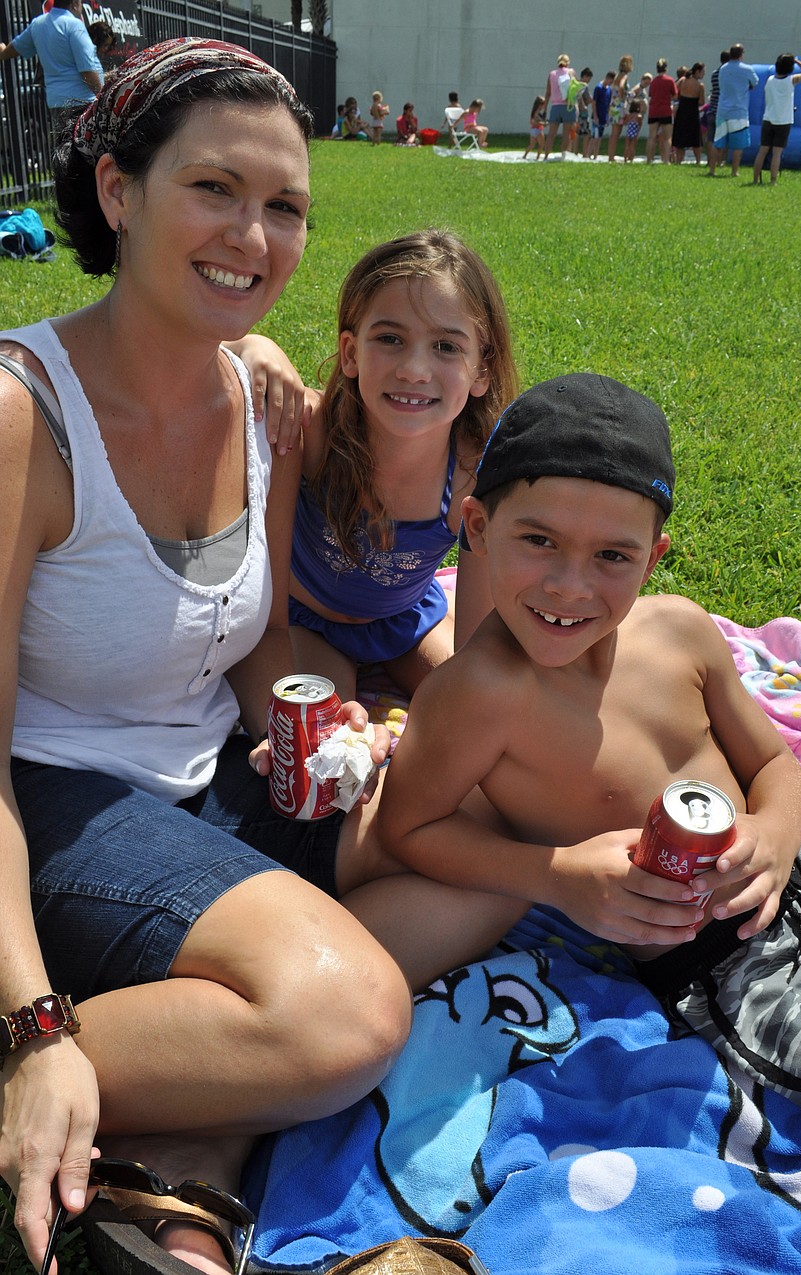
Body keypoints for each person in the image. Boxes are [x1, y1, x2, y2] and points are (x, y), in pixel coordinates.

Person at [0, 39, 522, 1275]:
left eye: (285, 205)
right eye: (213, 188)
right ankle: (47, 1076)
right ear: (118, 191)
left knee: (489, 848)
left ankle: (195, 1123)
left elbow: (261, 641)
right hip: (62, 797)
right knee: (348, 1011)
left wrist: (317, 720)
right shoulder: (24, 416)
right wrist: (31, 1026)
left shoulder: (264, 403)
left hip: (213, 777)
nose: (254, 235)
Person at [377, 374, 801, 1133]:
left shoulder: (681, 632)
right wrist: (555, 876)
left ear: (653, 557)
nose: (570, 587)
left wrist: (777, 831)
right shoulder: (479, 694)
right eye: (539, 541)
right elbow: (409, 828)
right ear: (479, 527)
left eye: (612, 556)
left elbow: (773, 764)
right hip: (723, 960)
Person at [287, 229, 519, 704]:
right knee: (325, 724)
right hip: (302, 619)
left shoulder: (475, 474)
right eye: (390, 338)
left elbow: (475, 646)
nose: (414, 369)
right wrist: (255, 347)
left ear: (481, 370)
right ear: (351, 353)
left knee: (467, 703)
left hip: (403, 623)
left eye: (446, 346)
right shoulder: (310, 432)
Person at [0, 0, 101, 145]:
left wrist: (3, 53)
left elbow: (16, 47)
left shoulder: (38, 24)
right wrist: (102, 96)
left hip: (57, 102)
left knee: (66, 149)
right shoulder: (74, 26)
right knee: (86, 148)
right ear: (74, 3)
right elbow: (87, 69)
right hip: (82, 102)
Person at [752, 54, 801, 184]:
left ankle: (755, 179)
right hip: (783, 121)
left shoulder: (770, 79)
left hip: (768, 119)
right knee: (777, 153)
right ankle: (773, 180)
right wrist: (797, 61)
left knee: (762, 151)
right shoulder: (791, 80)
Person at [710, 42, 759, 177]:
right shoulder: (747, 69)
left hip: (722, 111)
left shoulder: (723, 69)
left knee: (717, 143)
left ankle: (712, 170)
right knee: (738, 145)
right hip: (739, 112)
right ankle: (734, 171)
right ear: (741, 54)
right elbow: (755, 82)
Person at [671, 62, 706, 164]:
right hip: (693, 111)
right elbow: (701, 102)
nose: (704, 74)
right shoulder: (700, 85)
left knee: (680, 137)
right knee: (695, 138)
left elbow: (674, 92)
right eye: (703, 71)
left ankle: (678, 160)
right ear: (697, 71)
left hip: (682, 110)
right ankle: (698, 161)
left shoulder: (683, 80)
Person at [542, 53, 574, 159]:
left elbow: (548, 93)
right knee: (566, 133)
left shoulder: (552, 74)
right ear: (568, 63)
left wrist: (545, 107)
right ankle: (564, 155)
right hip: (567, 105)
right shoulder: (571, 72)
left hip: (555, 106)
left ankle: (546, 155)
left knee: (551, 134)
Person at [646, 58, 678, 164]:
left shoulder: (653, 81)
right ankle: (666, 160)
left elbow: (651, 95)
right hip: (665, 110)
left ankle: (649, 159)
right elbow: (675, 95)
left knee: (651, 136)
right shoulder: (670, 80)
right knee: (667, 137)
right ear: (666, 68)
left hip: (654, 110)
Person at [704, 49, 730, 164]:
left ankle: (710, 160)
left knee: (710, 138)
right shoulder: (728, 74)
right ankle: (719, 161)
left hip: (712, 108)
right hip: (723, 110)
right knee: (722, 138)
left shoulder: (714, 73)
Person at [607, 53, 634, 161]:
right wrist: (623, 99)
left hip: (613, 105)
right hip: (619, 106)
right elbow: (622, 86)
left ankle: (610, 156)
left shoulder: (617, 76)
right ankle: (611, 157)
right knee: (616, 133)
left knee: (614, 133)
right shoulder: (624, 76)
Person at [622, 72, 651, 162]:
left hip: (639, 115)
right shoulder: (637, 88)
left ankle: (629, 157)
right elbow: (629, 98)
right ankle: (629, 157)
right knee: (633, 140)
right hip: (636, 116)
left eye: (648, 83)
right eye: (646, 82)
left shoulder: (643, 89)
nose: (647, 85)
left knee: (633, 140)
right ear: (642, 80)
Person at [587, 70, 615, 159]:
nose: (611, 83)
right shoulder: (598, 88)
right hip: (597, 116)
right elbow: (594, 102)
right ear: (607, 78)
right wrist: (595, 116)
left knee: (599, 137)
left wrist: (608, 116)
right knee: (594, 137)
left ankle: (595, 155)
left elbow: (609, 104)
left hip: (603, 116)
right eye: (611, 81)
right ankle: (588, 155)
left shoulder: (609, 89)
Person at [575, 68, 594, 155]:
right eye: (589, 78)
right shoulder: (584, 86)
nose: (589, 81)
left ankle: (575, 152)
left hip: (575, 111)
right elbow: (589, 99)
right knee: (587, 133)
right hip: (583, 111)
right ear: (585, 76)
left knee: (576, 132)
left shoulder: (576, 84)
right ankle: (585, 153)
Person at [523, 94, 546, 159]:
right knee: (541, 145)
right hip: (538, 129)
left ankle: (525, 155)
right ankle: (538, 157)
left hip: (532, 130)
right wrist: (544, 123)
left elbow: (531, 121)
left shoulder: (533, 112)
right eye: (543, 104)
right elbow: (537, 121)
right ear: (540, 105)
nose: (544, 106)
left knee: (532, 144)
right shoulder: (537, 112)